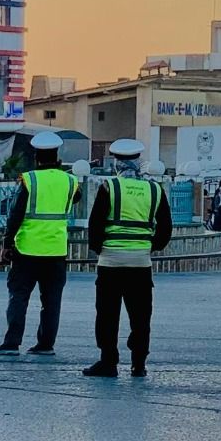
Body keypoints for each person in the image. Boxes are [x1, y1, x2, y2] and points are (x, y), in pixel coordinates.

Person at [83, 140, 172, 379]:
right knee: (141, 316)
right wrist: (149, 248)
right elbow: (165, 228)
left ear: (117, 163)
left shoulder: (109, 187)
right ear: (138, 161)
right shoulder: (155, 190)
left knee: (107, 314)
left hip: (111, 263)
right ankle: (139, 364)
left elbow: (95, 224)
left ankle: (108, 362)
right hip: (140, 265)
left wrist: (99, 249)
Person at [0, 132, 80, 357]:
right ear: (57, 156)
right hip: (56, 251)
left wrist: (7, 242)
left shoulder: (30, 180)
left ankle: (12, 343)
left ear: (36, 157)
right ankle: (45, 345)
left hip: (27, 250)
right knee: (51, 301)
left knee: (19, 297)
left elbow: (16, 213)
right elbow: (76, 198)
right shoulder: (70, 181)